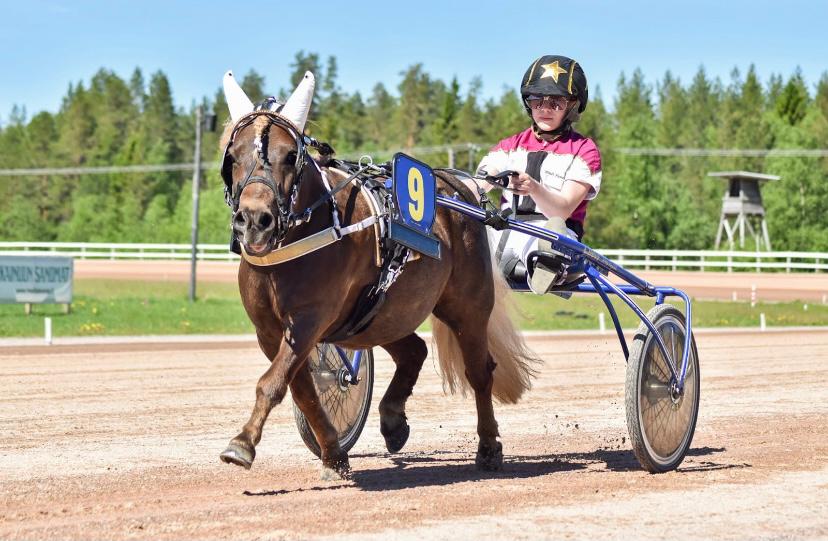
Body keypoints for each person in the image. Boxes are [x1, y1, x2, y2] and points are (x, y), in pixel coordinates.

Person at [473, 54, 602, 294]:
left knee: (552, 232)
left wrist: (533, 187)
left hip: (552, 234)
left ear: (573, 105)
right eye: (536, 100)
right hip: (503, 231)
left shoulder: (584, 150)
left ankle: (546, 266)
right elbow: (478, 183)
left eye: (555, 102)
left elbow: (562, 210)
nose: (544, 109)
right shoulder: (509, 146)